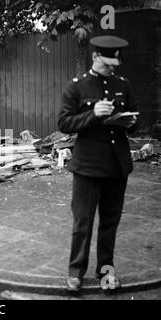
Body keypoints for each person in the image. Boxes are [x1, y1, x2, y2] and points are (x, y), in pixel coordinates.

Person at [57, 35, 138, 294]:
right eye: (106, 64)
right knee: (83, 222)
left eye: (114, 64)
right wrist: (93, 115)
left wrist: (129, 121)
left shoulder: (123, 85)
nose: (111, 68)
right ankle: (75, 274)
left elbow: (137, 121)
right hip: (87, 167)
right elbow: (64, 123)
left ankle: (106, 274)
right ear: (94, 57)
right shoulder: (76, 87)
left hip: (116, 166)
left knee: (109, 223)